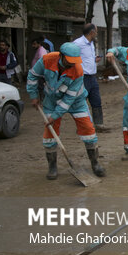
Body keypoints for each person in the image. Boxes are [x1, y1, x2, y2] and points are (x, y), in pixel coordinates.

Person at [27, 42, 105, 179]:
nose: (71, 65)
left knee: (88, 130)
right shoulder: (46, 60)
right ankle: (52, 166)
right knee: (50, 133)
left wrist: (56, 115)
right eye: (69, 61)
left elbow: (68, 99)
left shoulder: (78, 70)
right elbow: (32, 76)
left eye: (74, 62)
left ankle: (95, 163)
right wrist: (33, 95)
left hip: (76, 101)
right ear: (61, 56)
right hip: (51, 100)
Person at [73, 23, 107, 131]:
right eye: (96, 31)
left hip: (93, 77)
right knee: (81, 101)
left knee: (96, 100)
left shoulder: (91, 43)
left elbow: (86, 58)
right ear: (92, 32)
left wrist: (94, 60)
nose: (96, 34)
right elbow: (72, 58)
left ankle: (98, 124)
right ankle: (83, 126)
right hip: (83, 77)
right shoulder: (77, 44)